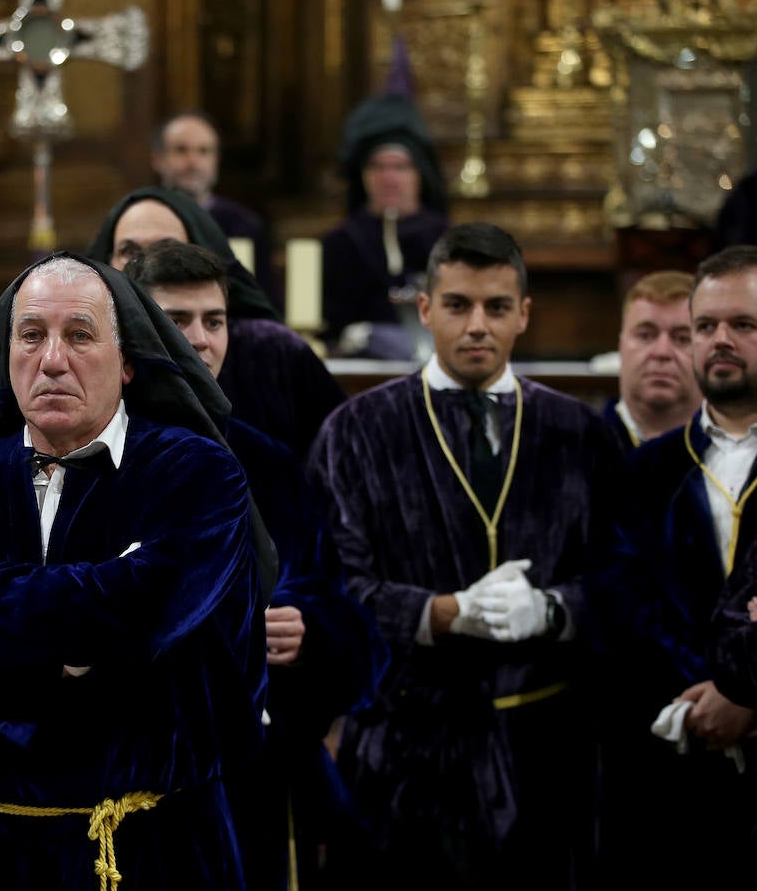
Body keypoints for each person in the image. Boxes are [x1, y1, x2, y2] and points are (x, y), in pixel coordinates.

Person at [0, 252, 269, 889]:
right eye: (31, 336)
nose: (52, 359)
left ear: (127, 360)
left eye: (79, 335)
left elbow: (144, 613)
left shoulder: (197, 473)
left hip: (151, 846)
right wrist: (74, 647)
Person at [309, 221, 619, 890]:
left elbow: (623, 580)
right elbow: (332, 590)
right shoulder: (357, 431)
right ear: (425, 310)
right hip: (403, 758)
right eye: (458, 305)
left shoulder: (578, 433)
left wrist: (556, 609)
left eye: (497, 307)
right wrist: (444, 613)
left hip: (541, 753)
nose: (477, 325)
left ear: (524, 315)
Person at [124, 238, 386, 890]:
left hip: (248, 775)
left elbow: (336, 602)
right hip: (123, 769)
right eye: (177, 320)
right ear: (131, 330)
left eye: (214, 321)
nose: (202, 339)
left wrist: (307, 630)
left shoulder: (268, 463)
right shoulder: (86, 453)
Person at [604, 246, 757, 886]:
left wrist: (748, 696)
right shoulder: (645, 470)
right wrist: (707, 704)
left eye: (744, 325)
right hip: (674, 759)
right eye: (706, 326)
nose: (720, 340)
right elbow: (623, 607)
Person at [86, 185, 346, 458]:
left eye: (166, 249)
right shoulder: (89, 354)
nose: (149, 263)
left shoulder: (272, 350)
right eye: (130, 251)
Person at [321, 91, 450, 359]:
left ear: (420, 174)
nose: (388, 177)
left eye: (400, 167)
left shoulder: (447, 239)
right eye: (377, 167)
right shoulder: (341, 242)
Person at [151, 111, 278, 309]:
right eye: (181, 150)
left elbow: (266, 303)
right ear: (158, 159)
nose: (192, 161)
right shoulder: (138, 220)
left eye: (203, 151)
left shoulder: (245, 224)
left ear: (216, 161)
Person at [605, 269, 700, 448]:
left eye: (682, 338)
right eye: (645, 335)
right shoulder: (577, 446)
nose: (662, 352)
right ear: (620, 345)